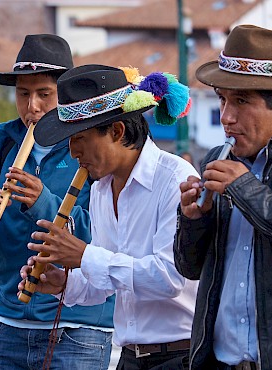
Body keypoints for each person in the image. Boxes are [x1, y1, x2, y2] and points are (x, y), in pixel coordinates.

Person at [18, 64, 198, 370]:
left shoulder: (176, 179)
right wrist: (63, 283)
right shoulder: (101, 190)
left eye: (80, 138)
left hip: (181, 356)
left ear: (117, 131)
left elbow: (168, 278)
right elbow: (104, 285)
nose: (73, 152)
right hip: (130, 356)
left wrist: (84, 254)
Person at [0, 35, 115, 370]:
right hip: (8, 319)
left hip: (77, 327)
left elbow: (105, 231)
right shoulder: (2, 138)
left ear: (65, 94)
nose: (32, 107)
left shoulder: (89, 142)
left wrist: (43, 202)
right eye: (23, 94)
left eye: (44, 94)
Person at [174, 24, 272, 370]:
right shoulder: (216, 159)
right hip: (220, 362)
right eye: (223, 99)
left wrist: (246, 190)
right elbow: (190, 267)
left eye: (241, 101)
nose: (226, 117)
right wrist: (192, 219)